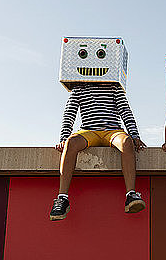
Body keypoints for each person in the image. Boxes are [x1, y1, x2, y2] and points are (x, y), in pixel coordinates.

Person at [50, 82, 146, 220]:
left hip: (112, 131)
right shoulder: (79, 88)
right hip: (88, 131)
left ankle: (131, 194)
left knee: (126, 142)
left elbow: (125, 111)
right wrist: (64, 138)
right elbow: (69, 113)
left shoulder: (114, 87)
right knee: (71, 143)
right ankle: (62, 198)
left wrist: (135, 135)